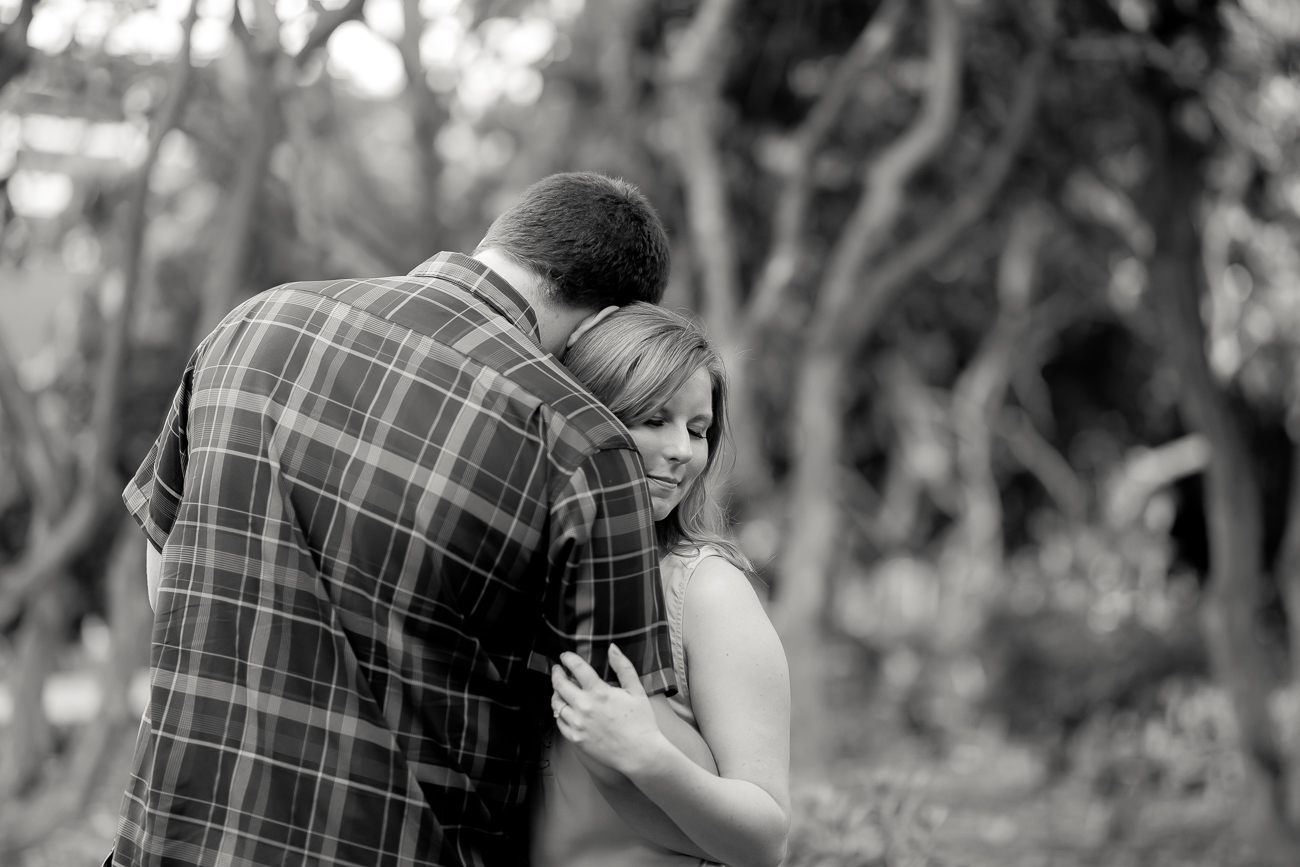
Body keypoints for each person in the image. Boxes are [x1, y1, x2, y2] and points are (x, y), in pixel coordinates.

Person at [110, 172, 678, 867]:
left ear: (500, 243)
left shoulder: (251, 324)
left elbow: (165, 553)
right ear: (603, 324)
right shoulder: (581, 441)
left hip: (172, 837)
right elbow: (603, 741)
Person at [532, 304, 791, 867]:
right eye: (653, 420)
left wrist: (648, 756)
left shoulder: (708, 590)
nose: (681, 450)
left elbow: (766, 840)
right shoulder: (531, 572)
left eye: (697, 430)